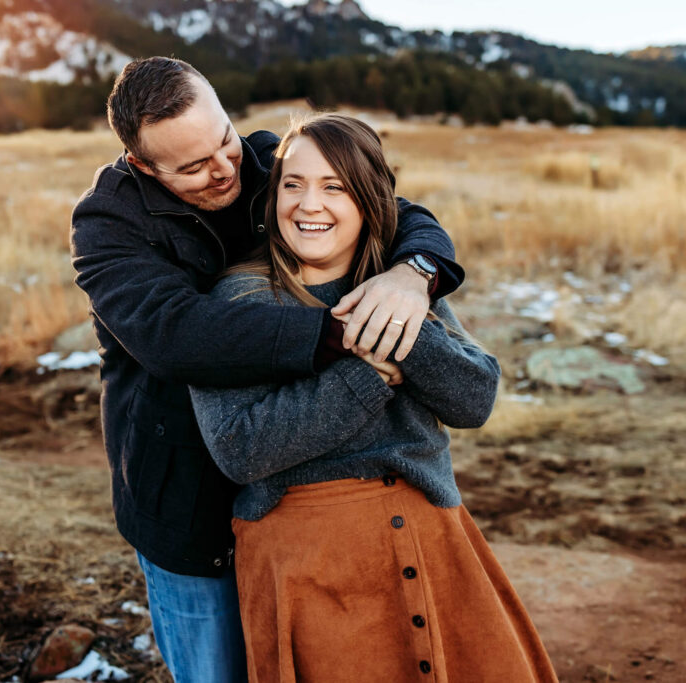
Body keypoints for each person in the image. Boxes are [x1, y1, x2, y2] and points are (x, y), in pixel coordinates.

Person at [70, 57, 464, 682]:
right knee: (217, 672)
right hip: (188, 495)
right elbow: (178, 337)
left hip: (296, 487)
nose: (225, 169)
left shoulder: (267, 163)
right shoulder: (106, 226)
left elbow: (391, 207)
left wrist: (414, 275)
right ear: (143, 165)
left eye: (223, 138)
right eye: (194, 166)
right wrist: (347, 334)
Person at [189, 113, 558, 682]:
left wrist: (402, 307)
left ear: (369, 199)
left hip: (431, 534)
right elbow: (241, 447)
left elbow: (474, 399)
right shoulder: (239, 299)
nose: (309, 205)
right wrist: (367, 375)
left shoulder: (402, 281)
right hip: (309, 562)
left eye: (334, 186)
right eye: (294, 184)